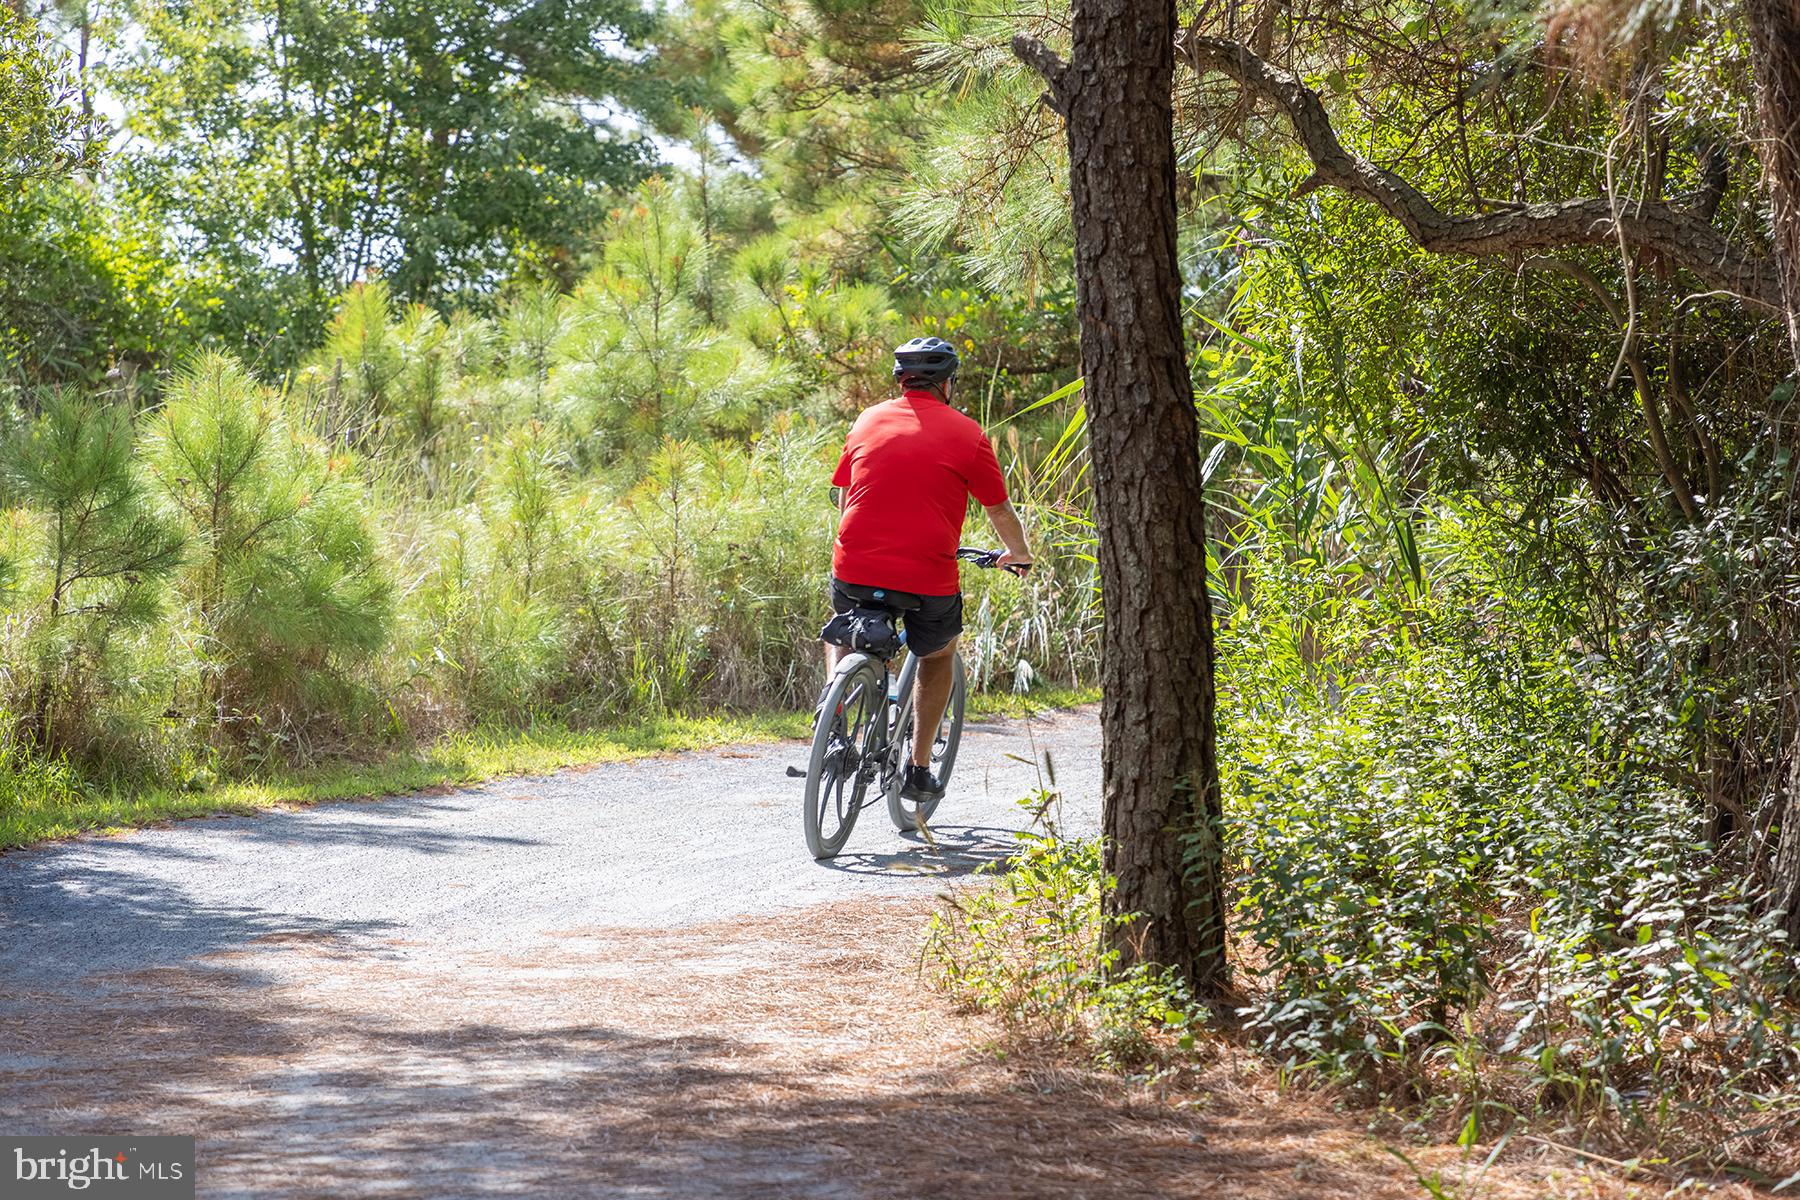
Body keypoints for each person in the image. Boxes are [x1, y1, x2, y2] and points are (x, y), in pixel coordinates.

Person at [826, 336, 1032, 801]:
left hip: (854, 562)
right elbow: (999, 511)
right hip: (925, 575)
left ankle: (834, 716)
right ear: (947, 384)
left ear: (901, 380)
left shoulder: (867, 419)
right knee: (938, 654)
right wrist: (1018, 554)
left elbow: (846, 493)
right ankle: (918, 769)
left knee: (842, 628)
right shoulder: (968, 433)